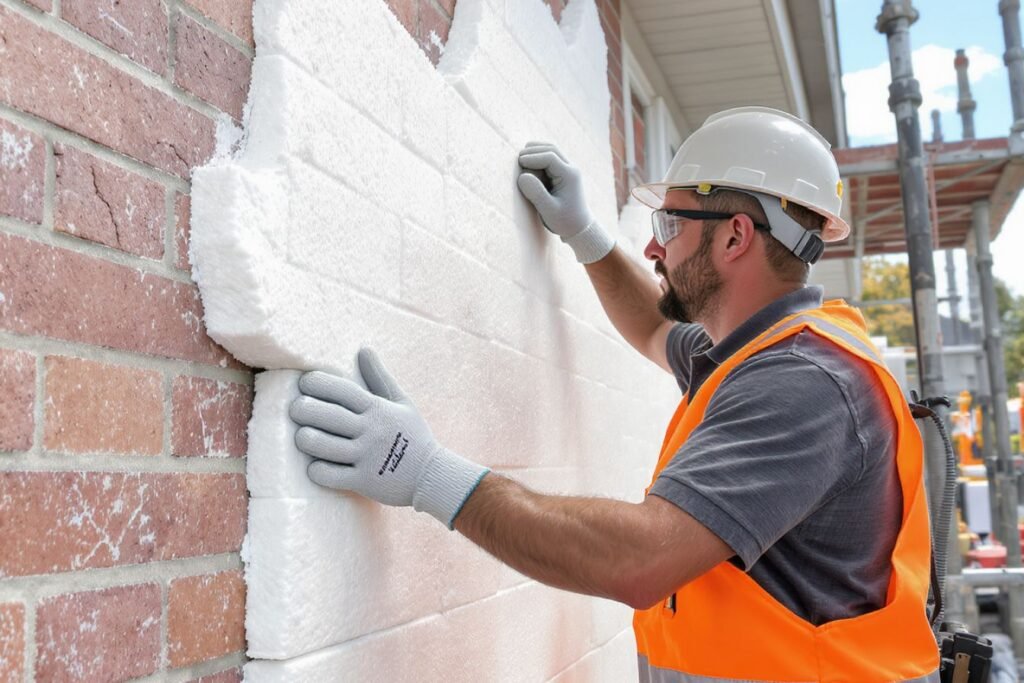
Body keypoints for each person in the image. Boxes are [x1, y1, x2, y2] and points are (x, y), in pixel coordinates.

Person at [289, 107, 939, 681]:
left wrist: (427, 472)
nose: (655, 243)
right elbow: (655, 326)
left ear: (736, 235)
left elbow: (641, 559)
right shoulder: (747, 352)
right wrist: (584, 234)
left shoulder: (805, 384)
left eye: (672, 222)